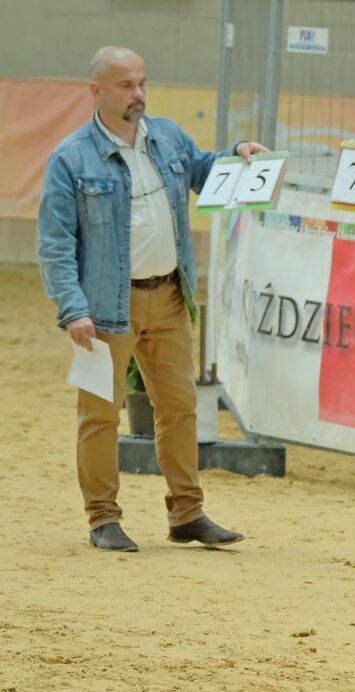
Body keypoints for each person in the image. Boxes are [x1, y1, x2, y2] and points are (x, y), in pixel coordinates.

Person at [37, 46, 265, 551]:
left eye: (141, 82)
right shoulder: (70, 158)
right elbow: (54, 245)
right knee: (100, 414)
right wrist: (72, 308)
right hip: (103, 309)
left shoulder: (167, 137)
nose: (138, 93)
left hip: (167, 297)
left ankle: (188, 513)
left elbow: (206, 170)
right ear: (96, 91)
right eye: (125, 85)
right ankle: (103, 518)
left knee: (180, 408)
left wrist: (239, 152)